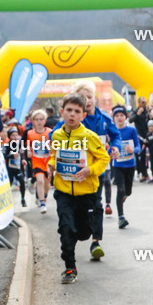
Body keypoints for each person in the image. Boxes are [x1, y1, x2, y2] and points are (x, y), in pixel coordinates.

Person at [47, 92, 109, 283]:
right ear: (62, 112)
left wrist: (89, 170)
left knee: (83, 232)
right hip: (64, 192)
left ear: (83, 115)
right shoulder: (56, 134)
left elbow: (103, 158)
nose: (72, 114)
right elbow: (54, 154)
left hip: (86, 193)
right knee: (66, 229)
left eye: (77, 111)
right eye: (69, 110)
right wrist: (51, 164)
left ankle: (81, 235)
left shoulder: (89, 136)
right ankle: (69, 268)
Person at [70, 81, 121, 256]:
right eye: (83, 98)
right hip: (78, 172)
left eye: (90, 97)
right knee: (82, 206)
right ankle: (81, 231)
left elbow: (116, 136)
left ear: (95, 98)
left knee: (97, 205)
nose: (88, 101)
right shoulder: (72, 120)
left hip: (98, 169)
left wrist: (115, 147)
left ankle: (96, 242)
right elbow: (54, 134)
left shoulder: (105, 119)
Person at [111, 104, 140, 229]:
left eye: (121, 115)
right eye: (116, 116)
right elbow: (107, 147)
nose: (119, 118)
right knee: (120, 189)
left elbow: (138, 147)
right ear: (113, 118)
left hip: (130, 165)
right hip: (117, 165)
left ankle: (123, 196)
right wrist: (111, 152)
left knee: (128, 191)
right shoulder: (112, 131)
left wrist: (132, 149)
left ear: (125, 116)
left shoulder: (131, 130)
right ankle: (121, 217)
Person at [26, 109, 53, 213]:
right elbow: (28, 144)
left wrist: (51, 148)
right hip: (36, 160)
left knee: (47, 183)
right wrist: (28, 151)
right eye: (36, 119)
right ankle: (42, 203)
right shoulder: (30, 133)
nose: (39, 121)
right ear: (33, 121)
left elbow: (54, 145)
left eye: (41, 119)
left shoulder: (49, 132)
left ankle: (44, 196)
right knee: (40, 181)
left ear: (45, 121)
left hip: (47, 160)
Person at [129, 96, 151, 182]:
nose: (144, 104)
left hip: (147, 135)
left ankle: (146, 173)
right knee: (140, 155)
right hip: (139, 136)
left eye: (145, 102)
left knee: (147, 156)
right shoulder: (136, 111)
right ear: (139, 103)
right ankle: (141, 173)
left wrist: (150, 113)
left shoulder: (147, 111)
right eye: (142, 102)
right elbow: (130, 120)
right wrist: (137, 114)